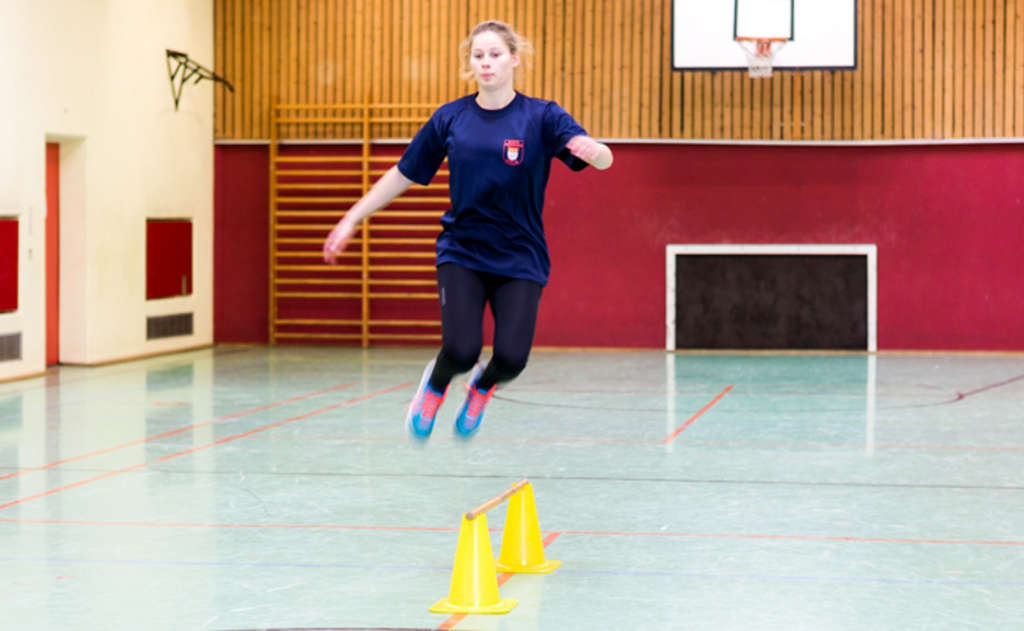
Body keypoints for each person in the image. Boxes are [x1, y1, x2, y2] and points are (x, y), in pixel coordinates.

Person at [322, 20, 613, 440]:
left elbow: (600, 159)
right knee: (461, 349)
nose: (486, 63)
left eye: (495, 54)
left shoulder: (543, 116)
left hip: (521, 256)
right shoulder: (451, 117)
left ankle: (482, 386)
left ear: (514, 59)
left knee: (512, 359)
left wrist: (597, 152)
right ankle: (435, 387)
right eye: (478, 56)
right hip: (463, 253)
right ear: (470, 63)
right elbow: (403, 174)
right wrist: (353, 216)